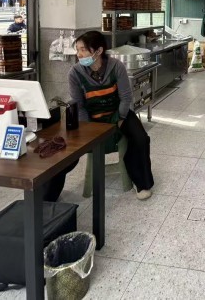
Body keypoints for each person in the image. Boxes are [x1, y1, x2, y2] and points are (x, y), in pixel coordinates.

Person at [46, 31, 154, 202]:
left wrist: (119, 119)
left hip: (118, 113)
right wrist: (89, 129)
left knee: (141, 138)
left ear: (98, 51)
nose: (79, 54)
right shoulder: (75, 73)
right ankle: (48, 197)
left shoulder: (116, 66)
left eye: (83, 50)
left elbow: (126, 98)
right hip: (91, 118)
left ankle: (141, 183)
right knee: (65, 151)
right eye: (77, 50)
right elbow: (79, 105)